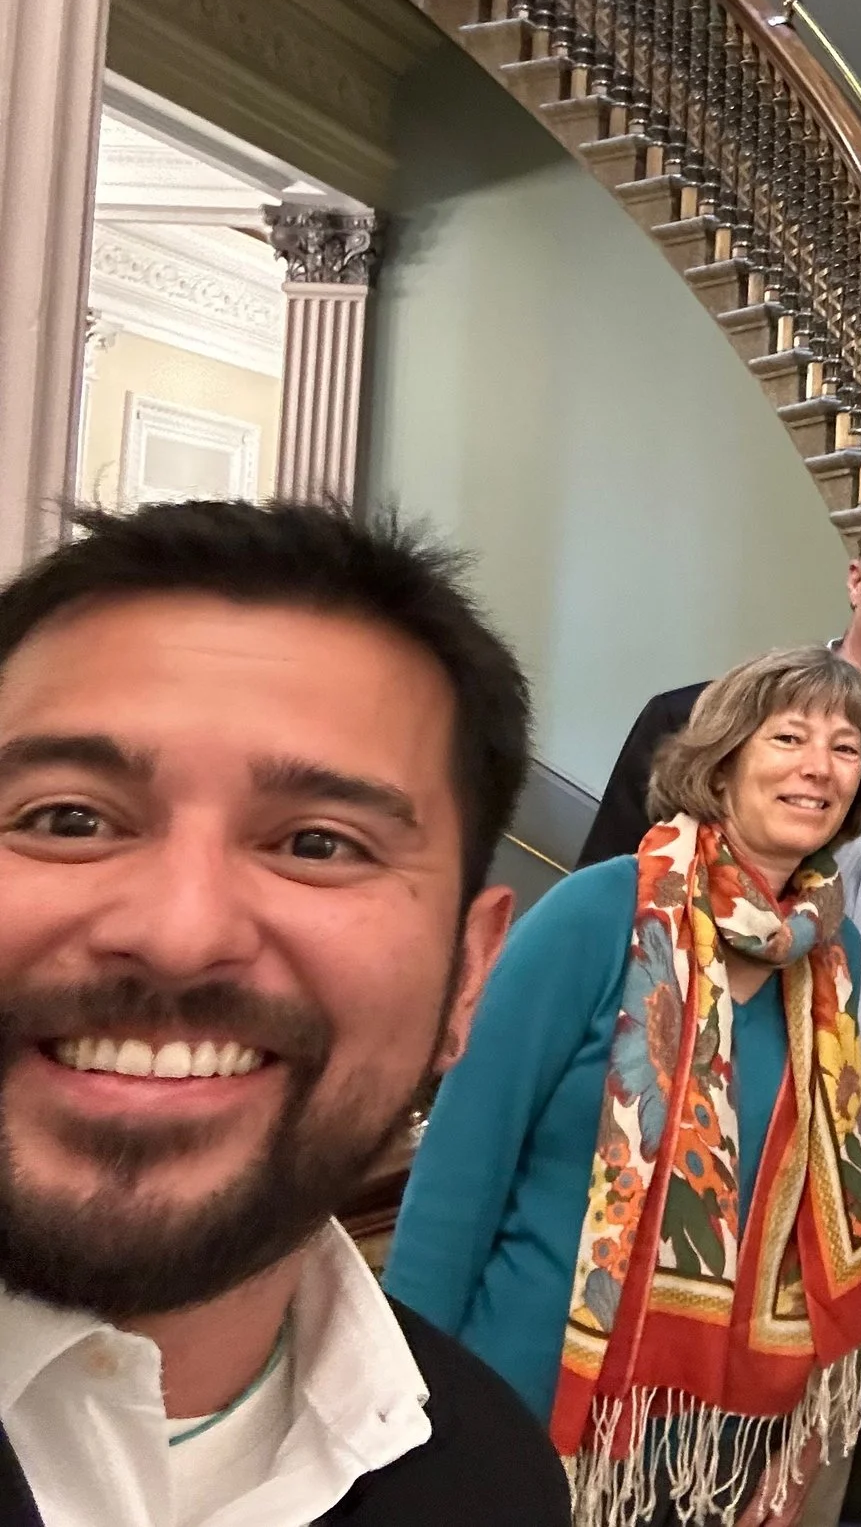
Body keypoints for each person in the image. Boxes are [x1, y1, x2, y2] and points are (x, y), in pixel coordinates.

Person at [0, 500, 567, 1525]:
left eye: (317, 844)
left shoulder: (496, 1485)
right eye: (68, 820)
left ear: (467, 975)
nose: (178, 934)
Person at [571, 482, 861, 1497]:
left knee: (788, 1487)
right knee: (624, 1474)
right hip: (673, 1190)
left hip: (856, 1202)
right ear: (857, 575)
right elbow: (602, 951)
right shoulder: (694, 724)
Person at [393, 646, 861, 1523]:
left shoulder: (822, 971)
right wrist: (403, 1411)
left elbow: (820, 1237)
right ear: (724, 758)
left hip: (714, 1452)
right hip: (522, 1407)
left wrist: (795, 1448)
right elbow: (459, 1174)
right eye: (789, 736)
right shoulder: (601, 911)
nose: (819, 765)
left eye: (846, 747)